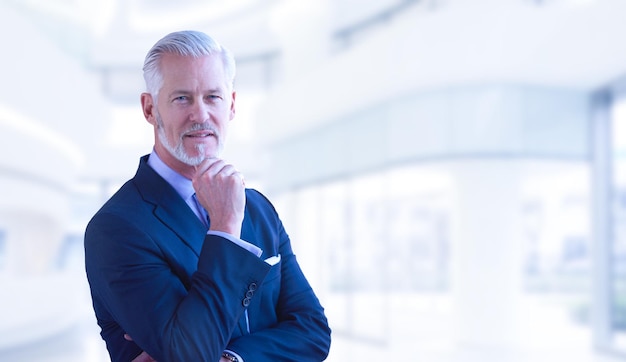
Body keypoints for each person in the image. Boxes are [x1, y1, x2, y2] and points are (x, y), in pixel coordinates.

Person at [84, 30, 331, 362]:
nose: (200, 115)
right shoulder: (117, 228)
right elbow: (191, 355)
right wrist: (226, 226)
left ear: (230, 105)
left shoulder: (258, 208)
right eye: (182, 98)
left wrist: (228, 358)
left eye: (212, 97)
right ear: (149, 108)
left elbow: (313, 333)